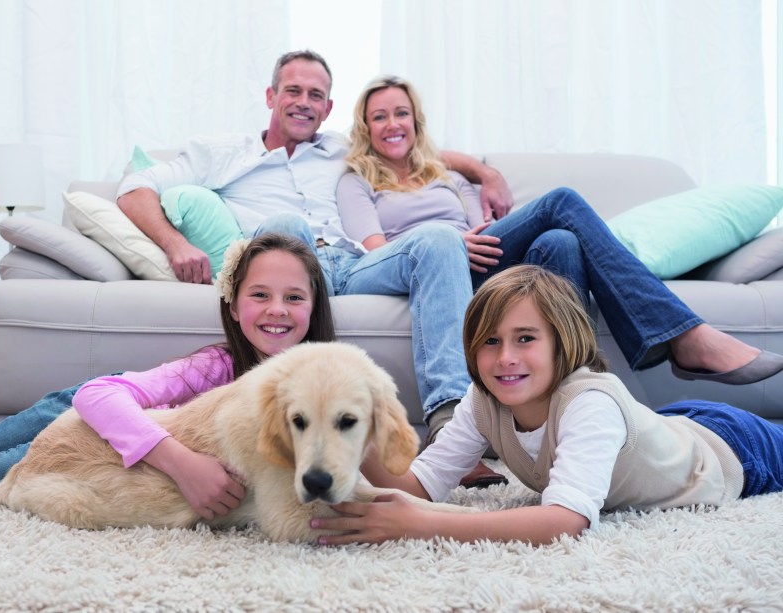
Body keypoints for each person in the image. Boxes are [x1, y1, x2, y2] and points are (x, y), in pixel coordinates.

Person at [115, 50, 512, 487]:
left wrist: (485, 173)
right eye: (293, 91)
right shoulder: (221, 153)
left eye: (316, 95)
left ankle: (450, 432)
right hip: (292, 267)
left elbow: (415, 147)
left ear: (328, 108)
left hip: (356, 264)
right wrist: (176, 245)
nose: (304, 101)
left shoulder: (342, 149)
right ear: (271, 95)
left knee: (439, 238)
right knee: (286, 226)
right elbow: (136, 188)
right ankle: (304, 433)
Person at [335, 74, 783, 447]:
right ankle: (685, 336)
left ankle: (573, 404)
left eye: (401, 113)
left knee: (560, 241)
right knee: (561, 207)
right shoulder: (356, 181)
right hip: (427, 267)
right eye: (379, 116)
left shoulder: (449, 178)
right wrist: (448, 242)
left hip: (481, 263)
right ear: (365, 128)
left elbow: (480, 229)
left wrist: (468, 226)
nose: (392, 123)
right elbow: (376, 248)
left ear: (416, 122)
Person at [310, 265, 783, 546]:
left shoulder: (588, 401)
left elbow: (566, 521)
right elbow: (419, 484)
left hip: (732, 450)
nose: (506, 357)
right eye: (490, 341)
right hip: (669, 426)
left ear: (562, 343)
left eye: (526, 339)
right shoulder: (482, 400)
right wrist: (354, 425)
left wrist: (423, 525)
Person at [0, 233, 335, 519]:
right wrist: (183, 464)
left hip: (114, 447)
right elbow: (99, 398)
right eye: (260, 294)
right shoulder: (213, 368)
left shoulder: (323, 386)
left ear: (314, 308)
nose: (277, 309)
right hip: (91, 409)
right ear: (232, 306)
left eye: (294, 297)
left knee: (0, 479)